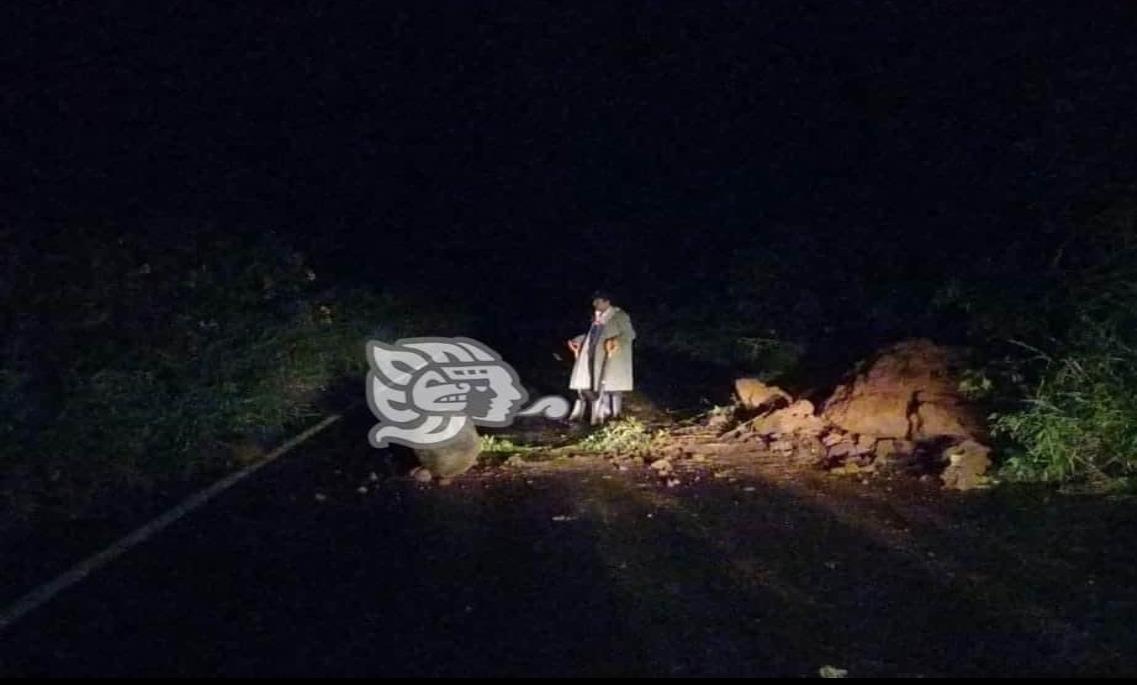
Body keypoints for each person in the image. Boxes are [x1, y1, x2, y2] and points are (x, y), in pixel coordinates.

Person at [566, 291, 635, 425]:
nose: (594, 304)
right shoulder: (597, 317)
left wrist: (615, 340)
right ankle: (600, 415)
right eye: (594, 301)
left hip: (613, 357)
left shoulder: (619, 316)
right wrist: (578, 341)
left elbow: (629, 334)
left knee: (613, 387)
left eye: (597, 301)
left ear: (607, 302)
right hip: (595, 356)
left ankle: (615, 416)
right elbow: (593, 335)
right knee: (594, 386)